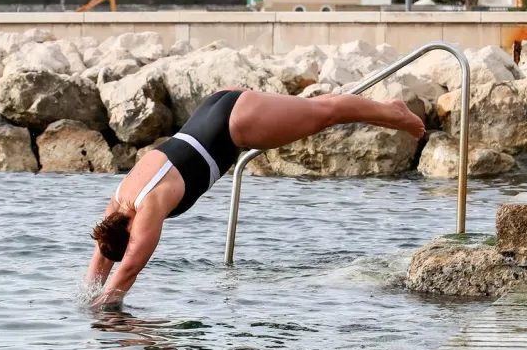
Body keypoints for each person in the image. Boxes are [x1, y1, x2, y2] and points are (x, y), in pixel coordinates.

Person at [85, 88, 424, 308]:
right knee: (318, 109)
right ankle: (386, 109)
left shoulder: (148, 209)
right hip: (214, 108)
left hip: (236, 126)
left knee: (326, 113)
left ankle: (395, 114)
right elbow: (101, 260)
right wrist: (86, 299)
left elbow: (128, 269)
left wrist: (102, 313)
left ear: (129, 232)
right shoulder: (120, 198)